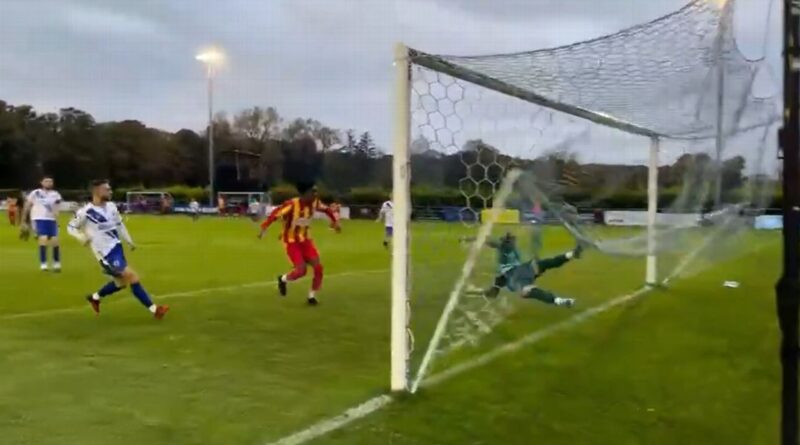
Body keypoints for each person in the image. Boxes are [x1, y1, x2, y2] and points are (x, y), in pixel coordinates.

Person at [67, 179, 169, 319]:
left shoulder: (111, 207)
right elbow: (71, 227)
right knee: (132, 277)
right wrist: (81, 237)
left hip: (116, 248)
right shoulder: (86, 212)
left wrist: (129, 240)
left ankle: (95, 297)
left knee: (120, 283)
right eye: (107, 189)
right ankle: (155, 310)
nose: (110, 191)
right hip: (104, 253)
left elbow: (119, 225)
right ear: (97, 191)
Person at [258, 182, 340, 305]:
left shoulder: (314, 202)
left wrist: (335, 222)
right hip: (291, 242)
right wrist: (264, 227)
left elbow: (327, 210)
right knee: (301, 271)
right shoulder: (292, 205)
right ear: (305, 193)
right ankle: (283, 279)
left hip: (306, 240)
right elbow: (275, 214)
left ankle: (311, 296)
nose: (315, 194)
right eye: (313, 192)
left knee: (318, 268)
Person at [465, 232, 583, 308]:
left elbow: (492, 293)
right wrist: (470, 238)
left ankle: (571, 254)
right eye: (512, 240)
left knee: (544, 264)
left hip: (521, 271)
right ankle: (560, 300)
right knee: (529, 287)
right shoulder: (505, 247)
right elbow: (491, 241)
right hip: (517, 273)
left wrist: (475, 292)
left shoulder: (502, 274)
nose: (514, 242)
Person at [20, 176, 63, 272]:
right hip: (38, 218)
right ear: (41, 183)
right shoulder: (35, 193)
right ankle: (43, 264)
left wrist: (57, 220)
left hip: (51, 220)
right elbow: (27, 206)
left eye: (50, 181)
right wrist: (23, 221)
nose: (48, 183)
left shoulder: (55, 194)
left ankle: (56, 263)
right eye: (46, 181)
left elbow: (56, 208)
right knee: (43, 239)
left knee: (55, 241)